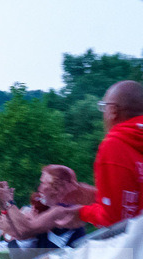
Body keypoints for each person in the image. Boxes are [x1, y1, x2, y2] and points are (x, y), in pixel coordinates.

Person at [55, 80, 143, 229]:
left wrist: (81, 213)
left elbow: (115, 222)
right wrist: (94, 196)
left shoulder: (115, 145)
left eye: (103, 107)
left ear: (113, 111)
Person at [0, 165, 93, 259]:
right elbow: (18, 233)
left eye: (43, 183)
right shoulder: (47, 210)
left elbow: (25, 230)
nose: (39, 189)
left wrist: (8, 201)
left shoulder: (63, 210)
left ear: (58, 188)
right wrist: (2, 202)